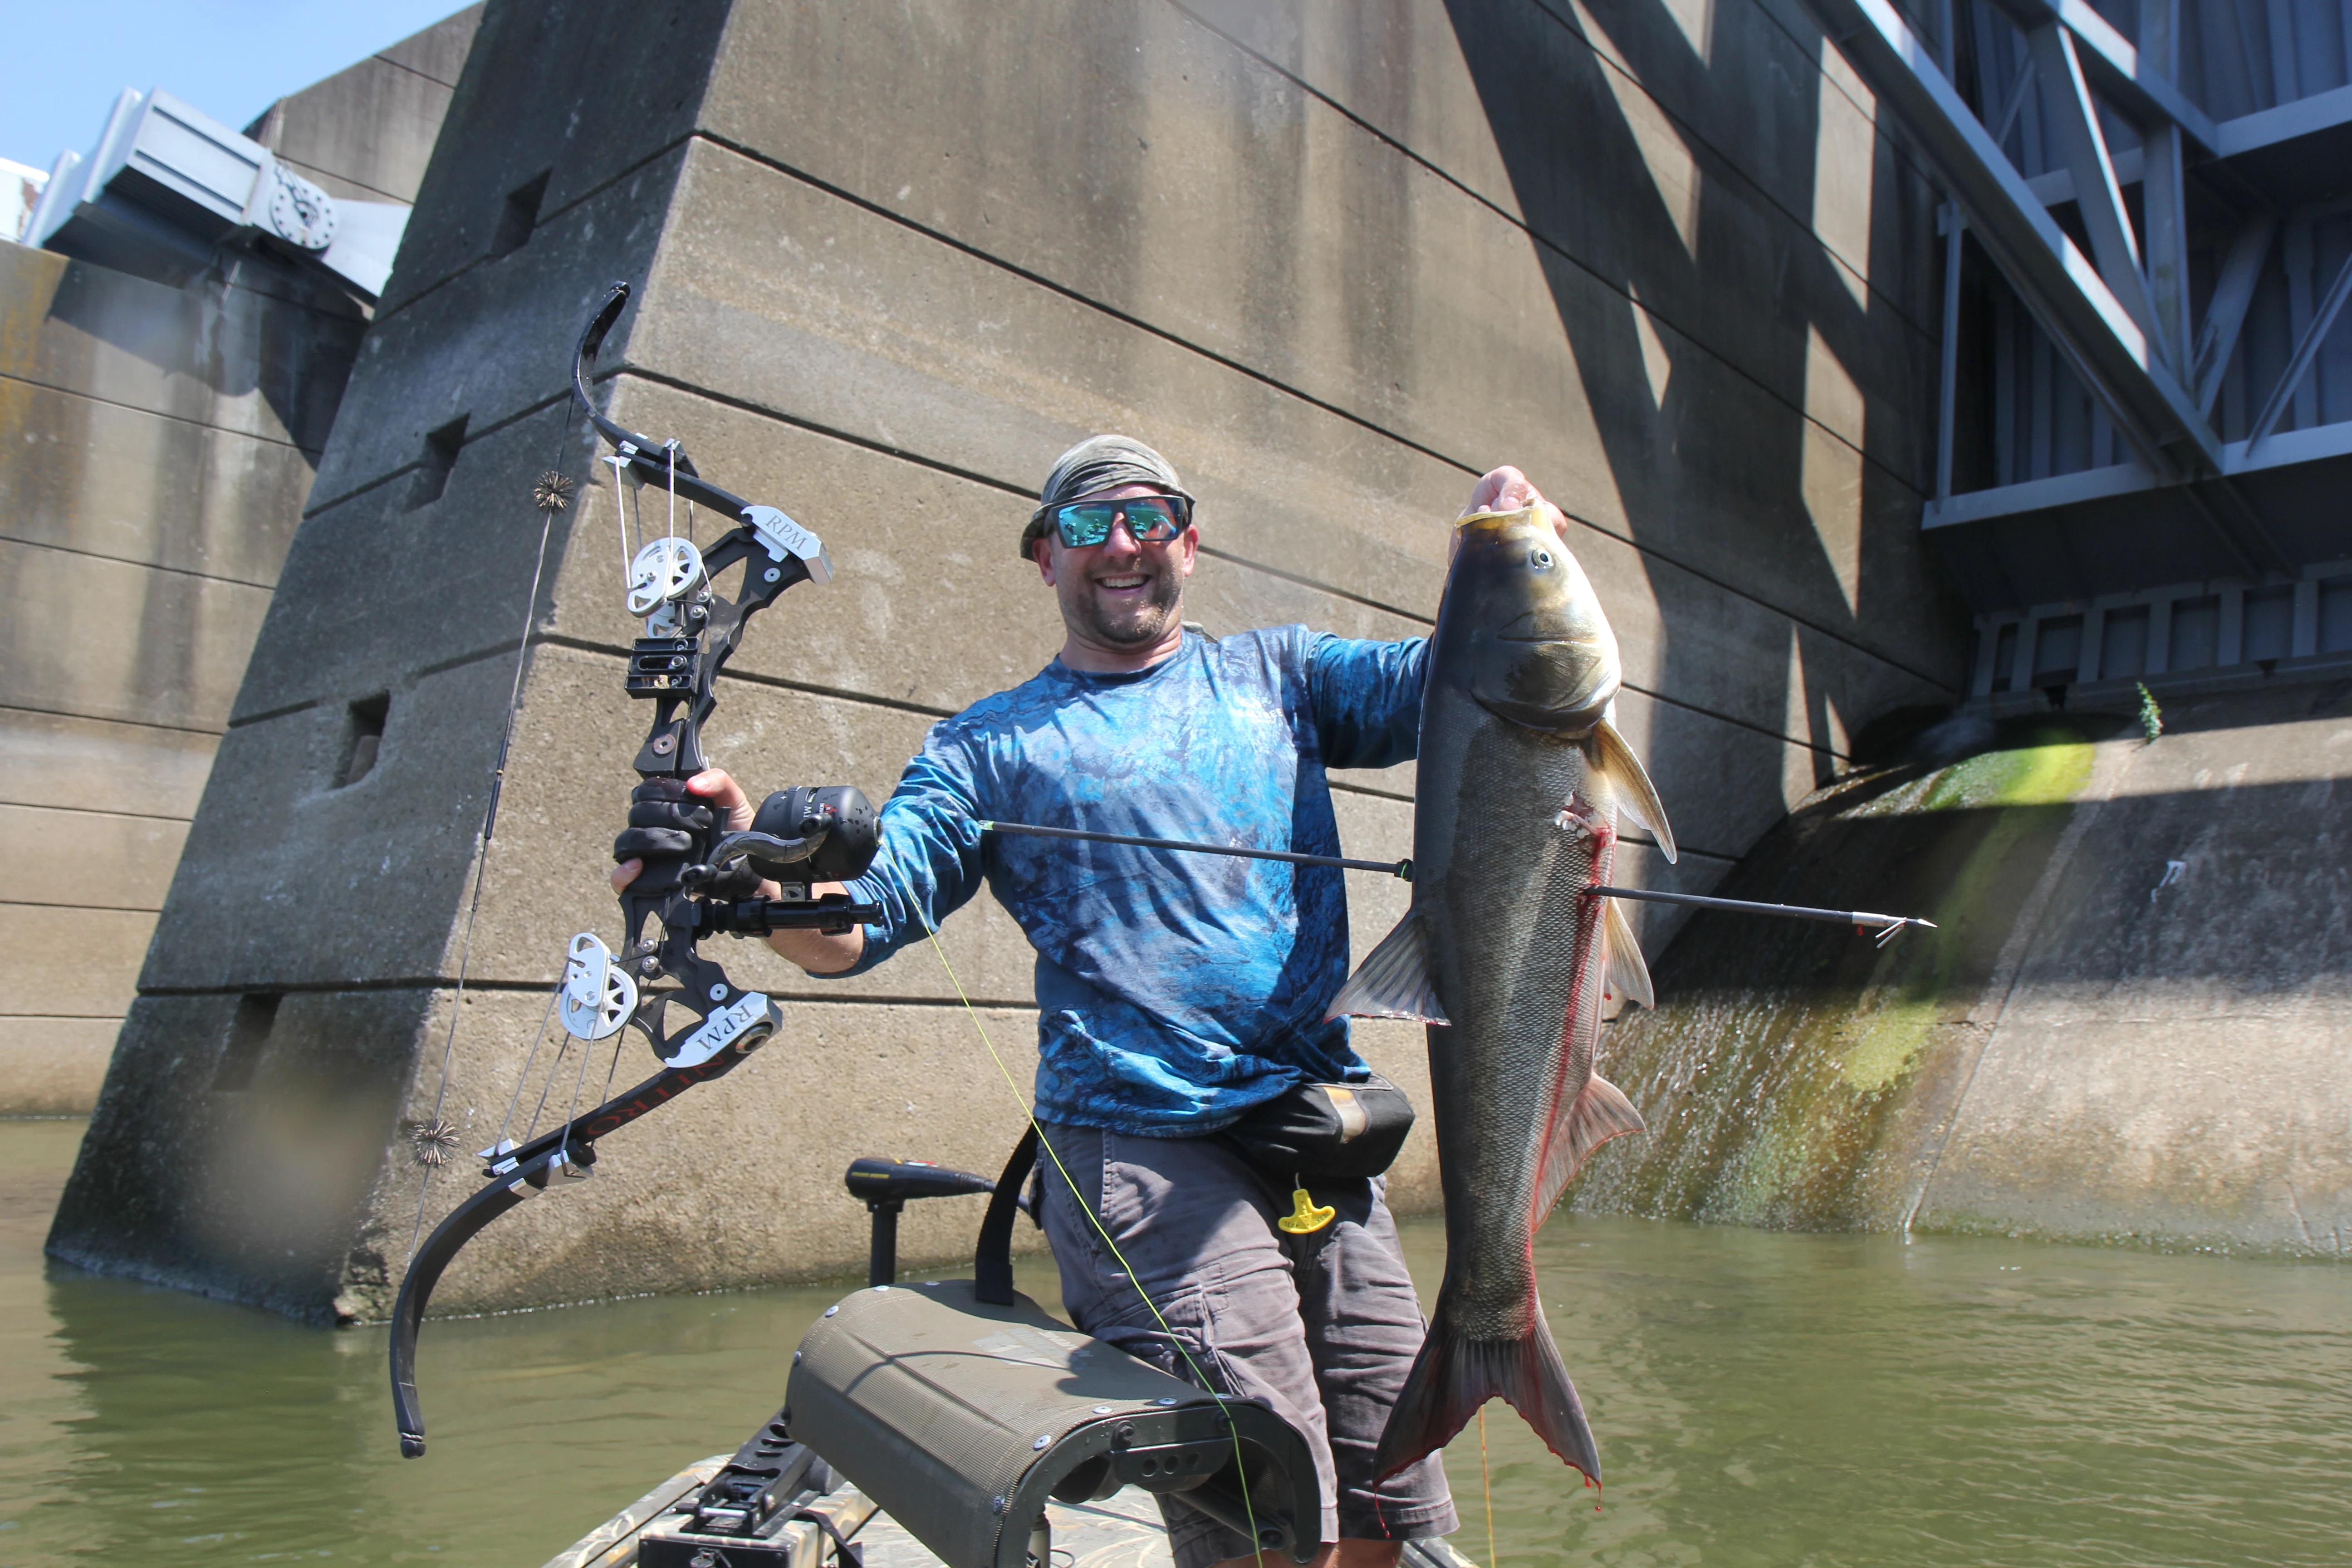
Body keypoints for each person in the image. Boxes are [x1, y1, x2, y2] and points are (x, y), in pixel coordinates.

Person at [617, 437, 1571, 1568]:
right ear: (1044, 559)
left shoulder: (1286, 676)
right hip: (1144, 1155)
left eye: (1149, 516)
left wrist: (1510, 562)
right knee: (1275, 1504)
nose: (1121, 544)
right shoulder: (988, 748)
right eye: (1084, 524)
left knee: (1385, 1497)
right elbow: (861, 919)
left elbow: (1475, 684)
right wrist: (752, 866)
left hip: (1321, 1130)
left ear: (1189, 542)